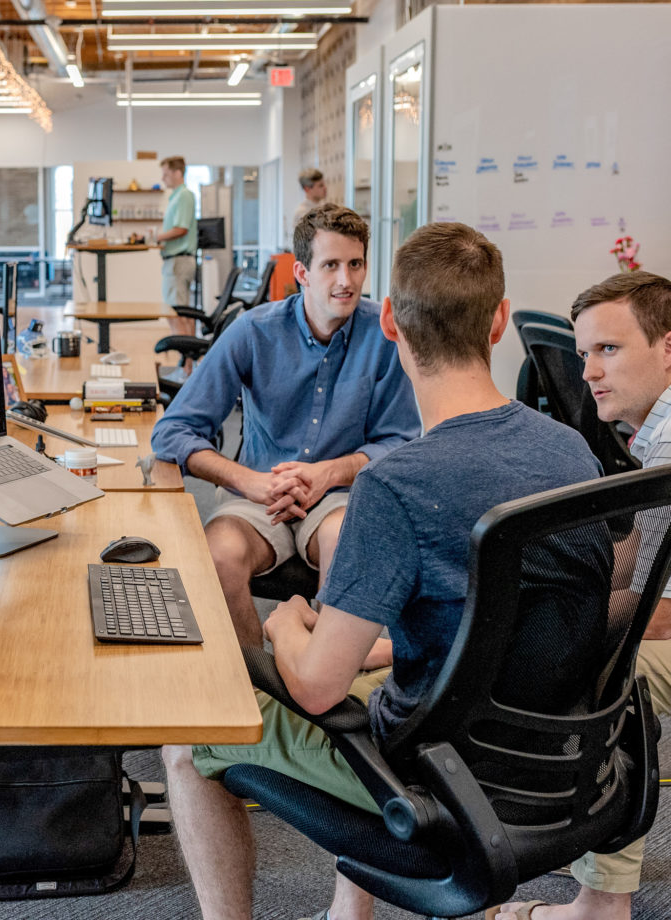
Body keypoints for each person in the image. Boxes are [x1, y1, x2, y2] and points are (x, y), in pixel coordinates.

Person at [162, 221, 608, 920]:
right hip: (560, 765)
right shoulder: (572, 452)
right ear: (498, 322)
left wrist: (288, 621)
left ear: (393, 322)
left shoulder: (396, 488)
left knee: (186, 741)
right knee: (369, 666)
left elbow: (313, 688)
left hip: (436, 779)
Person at [151, 203, 421, 648]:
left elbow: (402, 441)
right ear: (302, 272)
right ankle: (258, 684)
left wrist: (329, 473)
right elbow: (172, 431)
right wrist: (248, 481)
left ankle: (322, 681)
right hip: (258, 494)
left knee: (347, 545)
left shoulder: (386, 335)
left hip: (339, 496)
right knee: (218, 556)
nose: (346, 281)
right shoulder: (252, 332)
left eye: (356, 264)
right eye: (330, 265)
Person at [495, 270, 671, 920]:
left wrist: (530, 630)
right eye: (584, 352)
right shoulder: (655, 432)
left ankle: (601, 903)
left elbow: (654, 617)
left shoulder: (670, 443)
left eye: (610, 350)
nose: (589, 372)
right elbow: (637, 553)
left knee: (606, 674)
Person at [155, 155, 198, 337]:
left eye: (166, 174)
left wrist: (157, 237)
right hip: (175, 261)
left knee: (177, 314)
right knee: (180, 312)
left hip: (179, 261)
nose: (163, 178)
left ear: (178, 173)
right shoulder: (176, 197)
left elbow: (181, 229)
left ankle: (187, 363)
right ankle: (188, 362)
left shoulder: (184, 195)